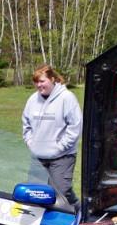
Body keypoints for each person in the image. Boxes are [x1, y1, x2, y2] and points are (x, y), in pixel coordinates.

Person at [21, 64, 82, 208]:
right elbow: (26, 124)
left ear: (52, 79)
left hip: (62, 157)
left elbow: (75, 126)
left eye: (42, 81)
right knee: (35, 195)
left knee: (60, 195)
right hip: (38, 157)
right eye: (36, 82)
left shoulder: (67, 98)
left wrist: (60, 147)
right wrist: (31, 143)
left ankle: (79, 211)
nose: (39, 85)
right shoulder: (32, 100)